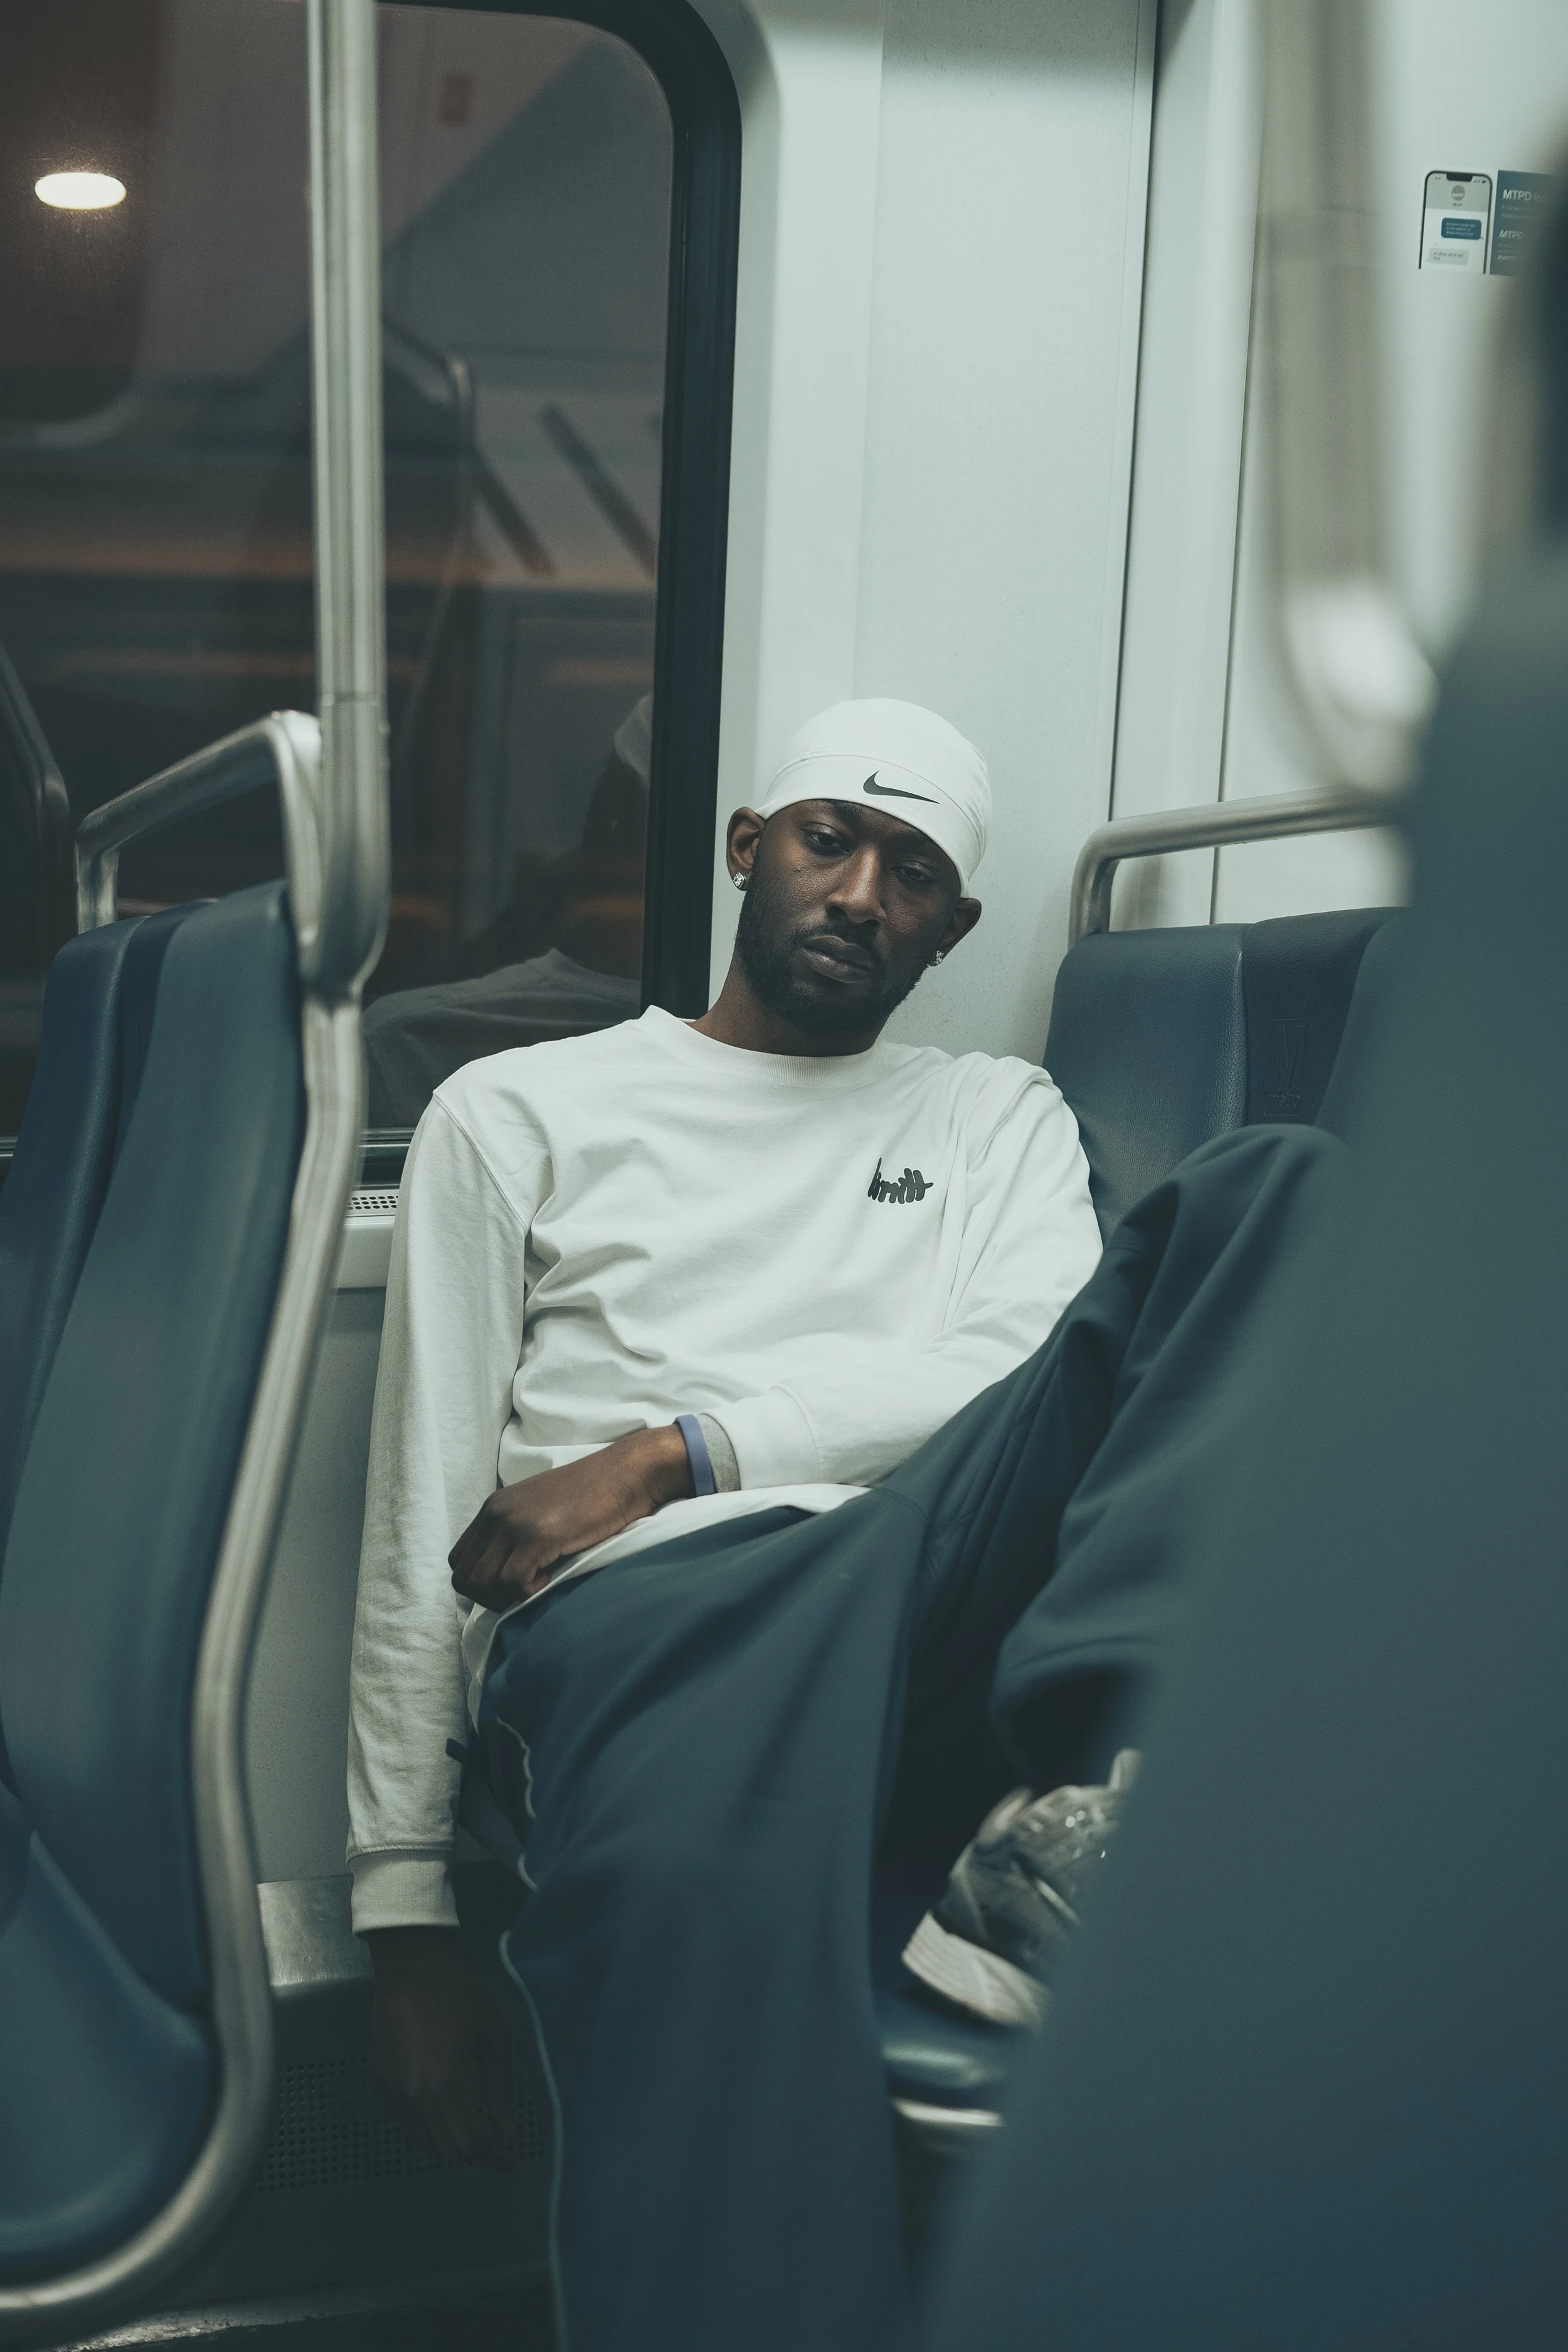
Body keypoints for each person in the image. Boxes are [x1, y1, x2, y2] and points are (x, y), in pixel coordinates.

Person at [347, 697, 1338, 2352]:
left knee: (1272, 1182)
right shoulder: (518, 1110)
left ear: (948, 926)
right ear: (748, 847)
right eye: (829, 838)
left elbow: (1012, 1361)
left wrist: (675, 1444)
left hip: (915, 1561)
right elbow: (422, 1521)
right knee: (683, 1928)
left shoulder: (992, 1113)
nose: (860, 889)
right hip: (663, 1613)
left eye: (912, 870)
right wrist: (399, 1926)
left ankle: (1097, 1793)